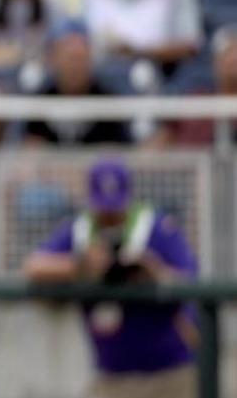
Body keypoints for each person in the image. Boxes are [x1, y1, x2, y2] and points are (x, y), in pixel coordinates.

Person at [23, 159, 197, 398]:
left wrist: (152, 271)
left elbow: (189, 282)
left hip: (171, 373)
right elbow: (34, 266)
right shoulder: (80, 230)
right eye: (104, 208)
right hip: (111, 377)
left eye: (116, 209)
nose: (110, 216)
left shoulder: (157, 227)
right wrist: (81, 266)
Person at [23, 23, 132, 145]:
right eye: (69, 59)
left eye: (80, 59)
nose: (74, 67)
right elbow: (30, 146)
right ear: (53, 60)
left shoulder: (107, 101)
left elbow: (118, 151)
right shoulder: (40, 102)